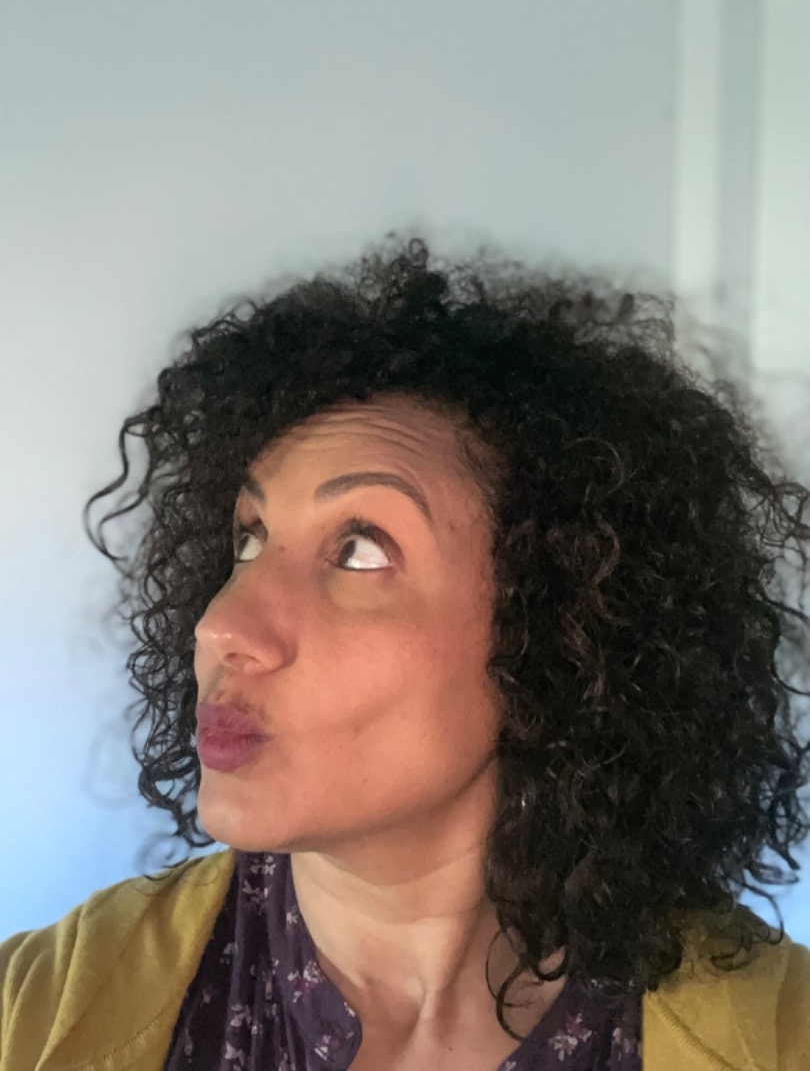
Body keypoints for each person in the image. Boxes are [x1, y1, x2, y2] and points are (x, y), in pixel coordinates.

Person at [2, 234, 809, 1071]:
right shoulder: (32, 1013)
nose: (222, 626)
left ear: (560, 636)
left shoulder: (781, 1034)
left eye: (359, 550)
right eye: (249, 539)